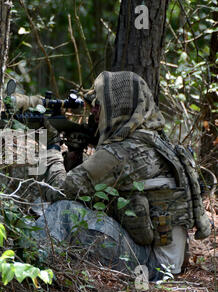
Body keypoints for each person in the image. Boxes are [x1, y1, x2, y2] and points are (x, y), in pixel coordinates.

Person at [34, 71, 211, 280]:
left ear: (117, 107)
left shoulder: (121, 152)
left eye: (100, 105)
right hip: (167, 263)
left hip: (150, 267)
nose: (94, 112)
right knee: (47, 209)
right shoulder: (155, 141)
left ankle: (30, 270)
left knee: (62, 211)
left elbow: (59, 190)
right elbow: (85, 191)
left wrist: (52, 147)